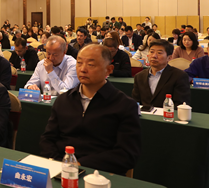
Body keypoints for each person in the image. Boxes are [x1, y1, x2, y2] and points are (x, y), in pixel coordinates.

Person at [39, 44, 141, 176]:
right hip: (60, 170)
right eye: (79, 63)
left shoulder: (124, 105)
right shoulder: (64, 100)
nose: (83, 69)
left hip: (101, 175)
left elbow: (127, 154)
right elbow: (47, 139)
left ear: (108, 70)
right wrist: (60, 163)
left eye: (91, 65)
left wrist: (79, 164)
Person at [132, 40, 191, 108]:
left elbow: (181, 105)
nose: (154, 56)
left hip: (167, 113)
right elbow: (135, 102)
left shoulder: (179, 76)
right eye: (151, 52)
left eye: (159, 53)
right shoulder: (139, 76)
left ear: (169, 57)